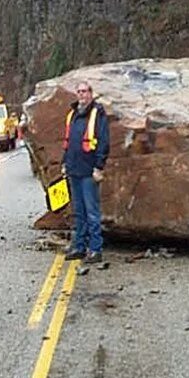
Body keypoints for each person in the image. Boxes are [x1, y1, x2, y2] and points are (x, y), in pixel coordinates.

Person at [60, 81, 110, 263]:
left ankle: (95, 249)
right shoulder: (73, 114)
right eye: (79, 91)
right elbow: (68, 142)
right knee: (78, 212)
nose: (82, 95)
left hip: (89, 170)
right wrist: (65, 162)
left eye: (85, 91)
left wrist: (99, 166)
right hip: (74, 169)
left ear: (91, 93)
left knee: (92, 212)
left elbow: (103, 141)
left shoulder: (98, 114)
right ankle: (80, 246)